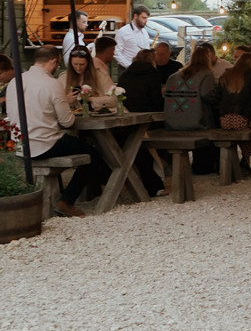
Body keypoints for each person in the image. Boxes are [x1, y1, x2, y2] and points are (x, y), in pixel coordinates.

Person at [17, 45, 107, 217]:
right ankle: (66, 201)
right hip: (45, 143)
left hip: (21, 145)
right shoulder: (52, 83)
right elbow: (67, 121)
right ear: (53, 62)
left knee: (81, 147)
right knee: (94, 155)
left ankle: (89, 191)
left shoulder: (16, 81)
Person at [115, 49, 168, 197]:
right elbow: (156, 101)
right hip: (148, 121)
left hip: (127, 119)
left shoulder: (125, 75)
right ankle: (160, 175)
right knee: (147, 144)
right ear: (152, 60)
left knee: (133, 146)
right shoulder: (153, 75)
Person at [164, 45, 219, 175]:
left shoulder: (174, 76)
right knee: (213, 126)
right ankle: (203, 167)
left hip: (173, 121)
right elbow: (206, 95)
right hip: (197, 121)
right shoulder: (207, 74)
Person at [211, 53, 251, 170]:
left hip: (225, 121)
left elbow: (216, 97)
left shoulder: (226, 74)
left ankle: (242, 165)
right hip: (244, 119)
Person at [63, 45, 116, 111]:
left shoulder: (101, 75)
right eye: (75, 64)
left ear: (88, 63)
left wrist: (90, 99)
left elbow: (114, 99)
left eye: (82, 64)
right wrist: (66, 99)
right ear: (70, 63)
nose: (78, 68)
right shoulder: (64, 77)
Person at [113, 5, 152, 70]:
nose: (146, 21)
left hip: (142, 68)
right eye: (143, 18)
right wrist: (129, 66)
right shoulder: (123, 31)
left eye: (147, 18)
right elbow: (116, 52)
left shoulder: (145, 32)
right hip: (126, 69)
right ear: (135, 16)